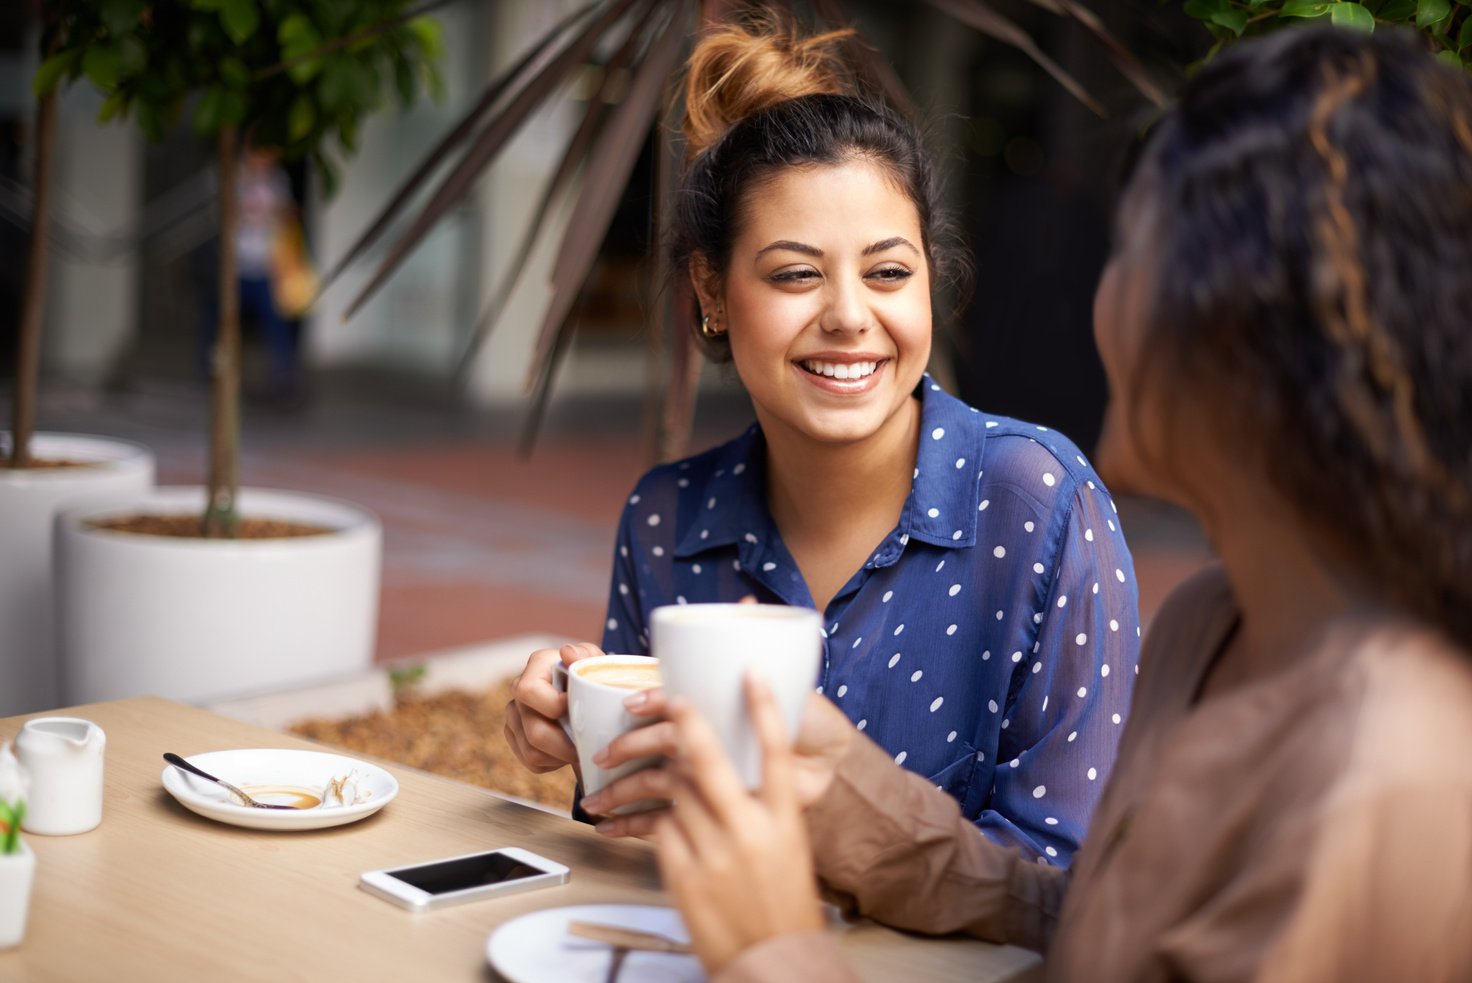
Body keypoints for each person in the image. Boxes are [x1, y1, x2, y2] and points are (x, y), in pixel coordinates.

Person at [647, 26, 1472, 983]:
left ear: (1252, 326)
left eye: (1133, 256)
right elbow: (1094, 927)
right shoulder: (1207, 630)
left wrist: (774, 949)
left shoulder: (1395, 780)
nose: (1099, 297)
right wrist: (879, 824)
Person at [504, 21, 1140, 866]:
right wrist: (577, 736)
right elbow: (642, 828)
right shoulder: (667, 517)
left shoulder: (1038, 503)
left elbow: (1073, 873)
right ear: (711, 289)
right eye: (797, 273)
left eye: (887, 272)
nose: (848, 315)